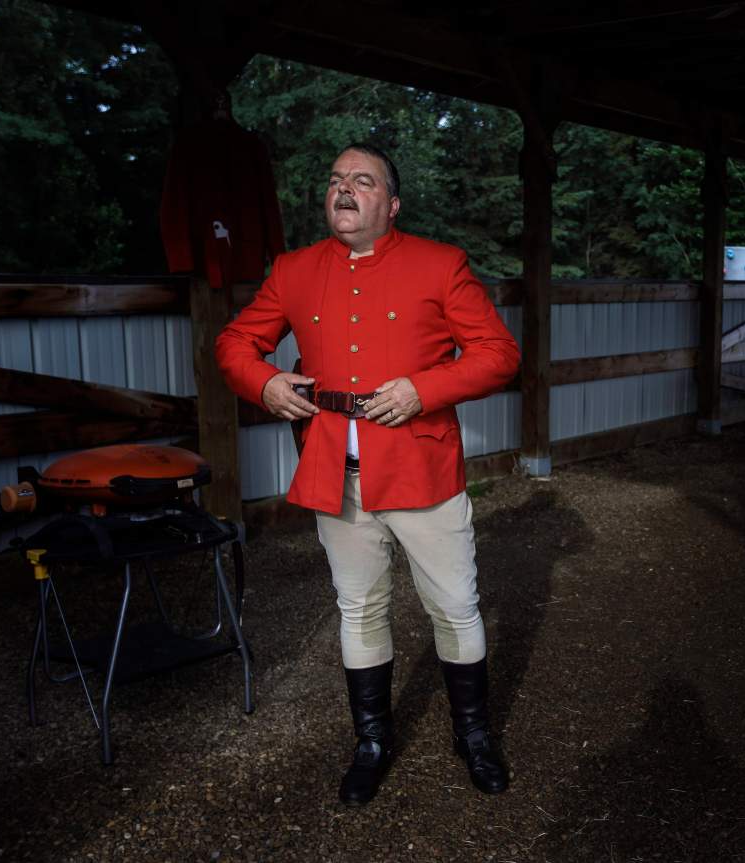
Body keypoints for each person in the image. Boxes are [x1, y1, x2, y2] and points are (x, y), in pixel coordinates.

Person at [215, 143, 520, 805]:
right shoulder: (294, 269)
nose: (344, 189)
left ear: (392, 203)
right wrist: (264, 383)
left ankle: (474, 736)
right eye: (335, 180)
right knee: (359, 607)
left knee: (455, 605)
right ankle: (373, 741)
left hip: (421, 468)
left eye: (363, 180)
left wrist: (425, 389)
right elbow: (234, 343)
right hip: (334, 471)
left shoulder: (440, 264)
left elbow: (499, 355)